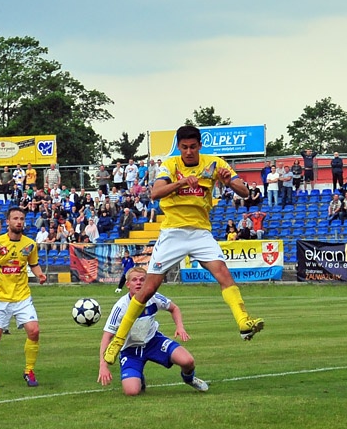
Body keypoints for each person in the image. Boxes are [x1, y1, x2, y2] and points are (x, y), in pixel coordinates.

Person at [102, 125, 264, 365]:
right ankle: (119, 340)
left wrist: (230, 181)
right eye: (184, 147)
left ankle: (243, 321)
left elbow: (244, 190)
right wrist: (180, 183)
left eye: (193, 147)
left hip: (200, 232)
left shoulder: (215, 163)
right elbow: (156, 193)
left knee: (224, 274)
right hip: (173, 232)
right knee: (148, 290)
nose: (189, 151)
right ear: (179, 147)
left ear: (200, 146)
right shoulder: (171, 164)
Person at [99, 267, 207, 396]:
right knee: (131, 391)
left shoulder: (153, 297)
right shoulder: (121, 306)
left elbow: (174, 308)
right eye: (134, 280)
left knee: (188, 361)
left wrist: (180, 327)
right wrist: (103, 365)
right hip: (130, 350)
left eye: (142, 280)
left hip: (153, 342)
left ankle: (189, 379)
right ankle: (139, 378)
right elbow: (107, 336)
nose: (138, 283)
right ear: (127, 284)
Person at [0, 207, 47, 389]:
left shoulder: (30, 244)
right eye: (15, 218)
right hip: (0, 298)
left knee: (34, 331)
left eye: (22, 219)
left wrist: (40, 275)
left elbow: (34, 264)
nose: (19, 222)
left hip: (22, 297)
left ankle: (29, 371)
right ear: (7, 222)